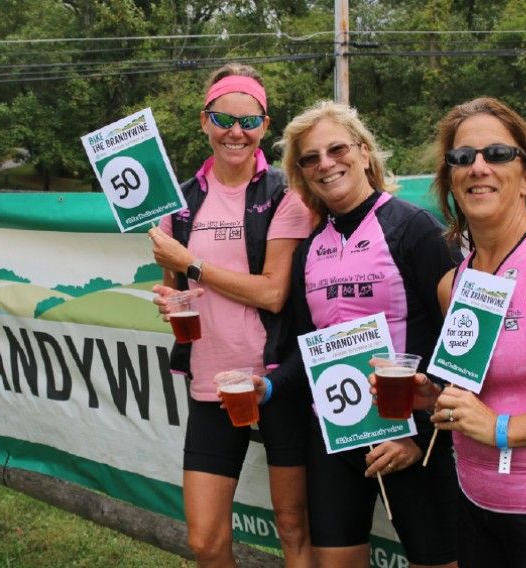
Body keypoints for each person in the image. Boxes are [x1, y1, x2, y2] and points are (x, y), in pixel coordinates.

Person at [271, 100, 460, 568]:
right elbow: (306, 345)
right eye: (310, 158)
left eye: (336, 149)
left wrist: (417, 435)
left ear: (364, 152)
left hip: (410, 438)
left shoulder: (412, 227)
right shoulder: (311, 247)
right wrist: (269, 385)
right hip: (336, 434)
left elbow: (458, 341)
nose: (325, 164)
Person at [147, 63, 315, 567]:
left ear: (265, 125)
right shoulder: (178, 203)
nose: (235, 132)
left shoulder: (288, 193)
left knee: (292, 526)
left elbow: (273, 295)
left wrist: (191, 264)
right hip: (212, 380)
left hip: (277, 376)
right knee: (205, 540)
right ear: (204, 122)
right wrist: (169, 291)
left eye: (249, 120)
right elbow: (175, 287)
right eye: (223, 118)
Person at [421, 96, 526, 567]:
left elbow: (495, 419)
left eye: (497, 154)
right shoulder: (454, 284)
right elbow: (481, 394)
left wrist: (501, 429)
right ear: (450, 179)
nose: (478, 167)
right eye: (462, 157)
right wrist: (430, 396)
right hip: (476, 507)